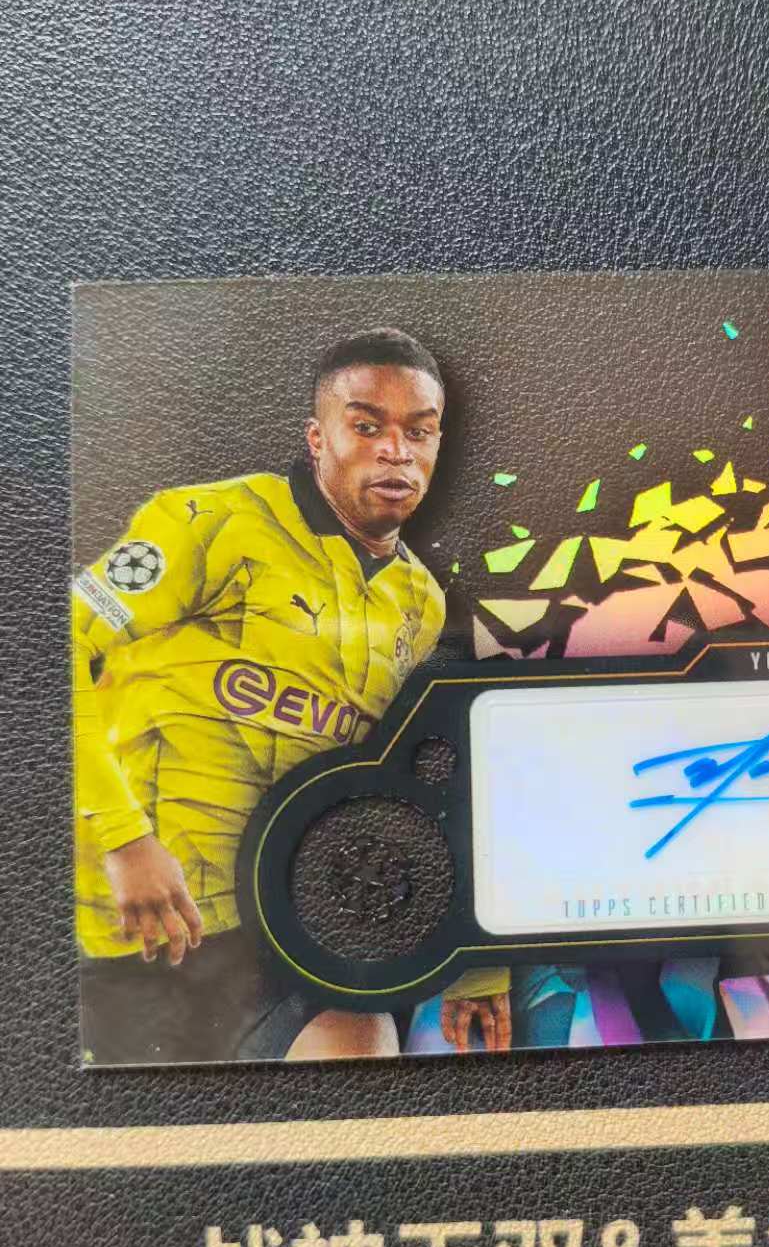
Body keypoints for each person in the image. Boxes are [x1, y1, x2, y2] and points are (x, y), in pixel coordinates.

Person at [74, 325, 508, 1064]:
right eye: (366, 426)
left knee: (360, 1047)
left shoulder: (420, 601)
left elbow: (420, 784)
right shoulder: (207, 522)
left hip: (273, 934)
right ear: (317, 438)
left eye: (419, 432)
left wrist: (476, 964)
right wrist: (124, 838)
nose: (395, 451)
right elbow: (51, 644)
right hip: (122, 925)